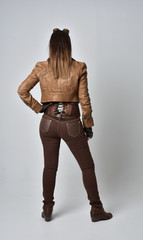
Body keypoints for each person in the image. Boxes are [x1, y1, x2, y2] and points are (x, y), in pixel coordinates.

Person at [17, 28, 113, 222]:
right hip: (71, 123)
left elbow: (22, 90)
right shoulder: (79, 67)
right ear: (69, 45)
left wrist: (39, 108)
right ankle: (96, 210)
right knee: (87, 167)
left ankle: (47, 209)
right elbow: (84, 100)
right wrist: (88, 125)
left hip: (47, 124)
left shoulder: (41, 67)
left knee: (50, 167)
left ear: (51, 46)